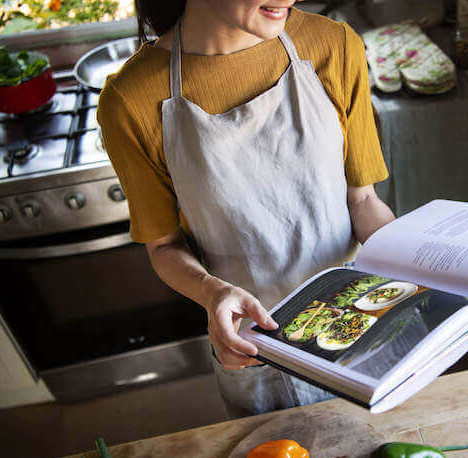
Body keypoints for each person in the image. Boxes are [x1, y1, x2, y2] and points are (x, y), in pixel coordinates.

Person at [97, 0, 395, 417]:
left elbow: (362, 200)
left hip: (360, 316)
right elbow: (163, 246)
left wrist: (420, 266)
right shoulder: (131, 99)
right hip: (257, 346)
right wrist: (211, 292)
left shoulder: (334, 44)